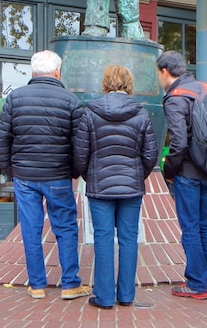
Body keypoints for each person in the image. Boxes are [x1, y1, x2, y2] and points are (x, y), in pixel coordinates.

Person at [0, 50, 90, 301]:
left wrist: (12, 171)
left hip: (25, 177)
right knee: (66, 228)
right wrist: (74, 172)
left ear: (33, 72)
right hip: (58, 176)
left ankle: (37, 285)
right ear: (57, 72)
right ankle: (70, 284)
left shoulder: (15, 99)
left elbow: (1, 141)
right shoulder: (71, 101)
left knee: (31, 229)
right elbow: (80, 145)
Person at [73, 65, 158, 310]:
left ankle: (104, 297)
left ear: (106, 83)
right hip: (131, 187)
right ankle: (126, 295)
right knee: (129, 239)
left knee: (103, 239)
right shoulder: (141, 114)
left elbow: (81, 154)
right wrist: (137, 174)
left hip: (100, 187)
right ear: (129, 84)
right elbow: (150, 154)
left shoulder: (90, 113)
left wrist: (91, 177)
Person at [156, 50, 207, 300]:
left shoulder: (175, 98)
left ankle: (196, 284)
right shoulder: (206, 90)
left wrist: (168, 169)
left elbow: (178, 143)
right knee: (205, 227)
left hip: (188, 173)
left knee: (190, 228)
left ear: (165, 72)